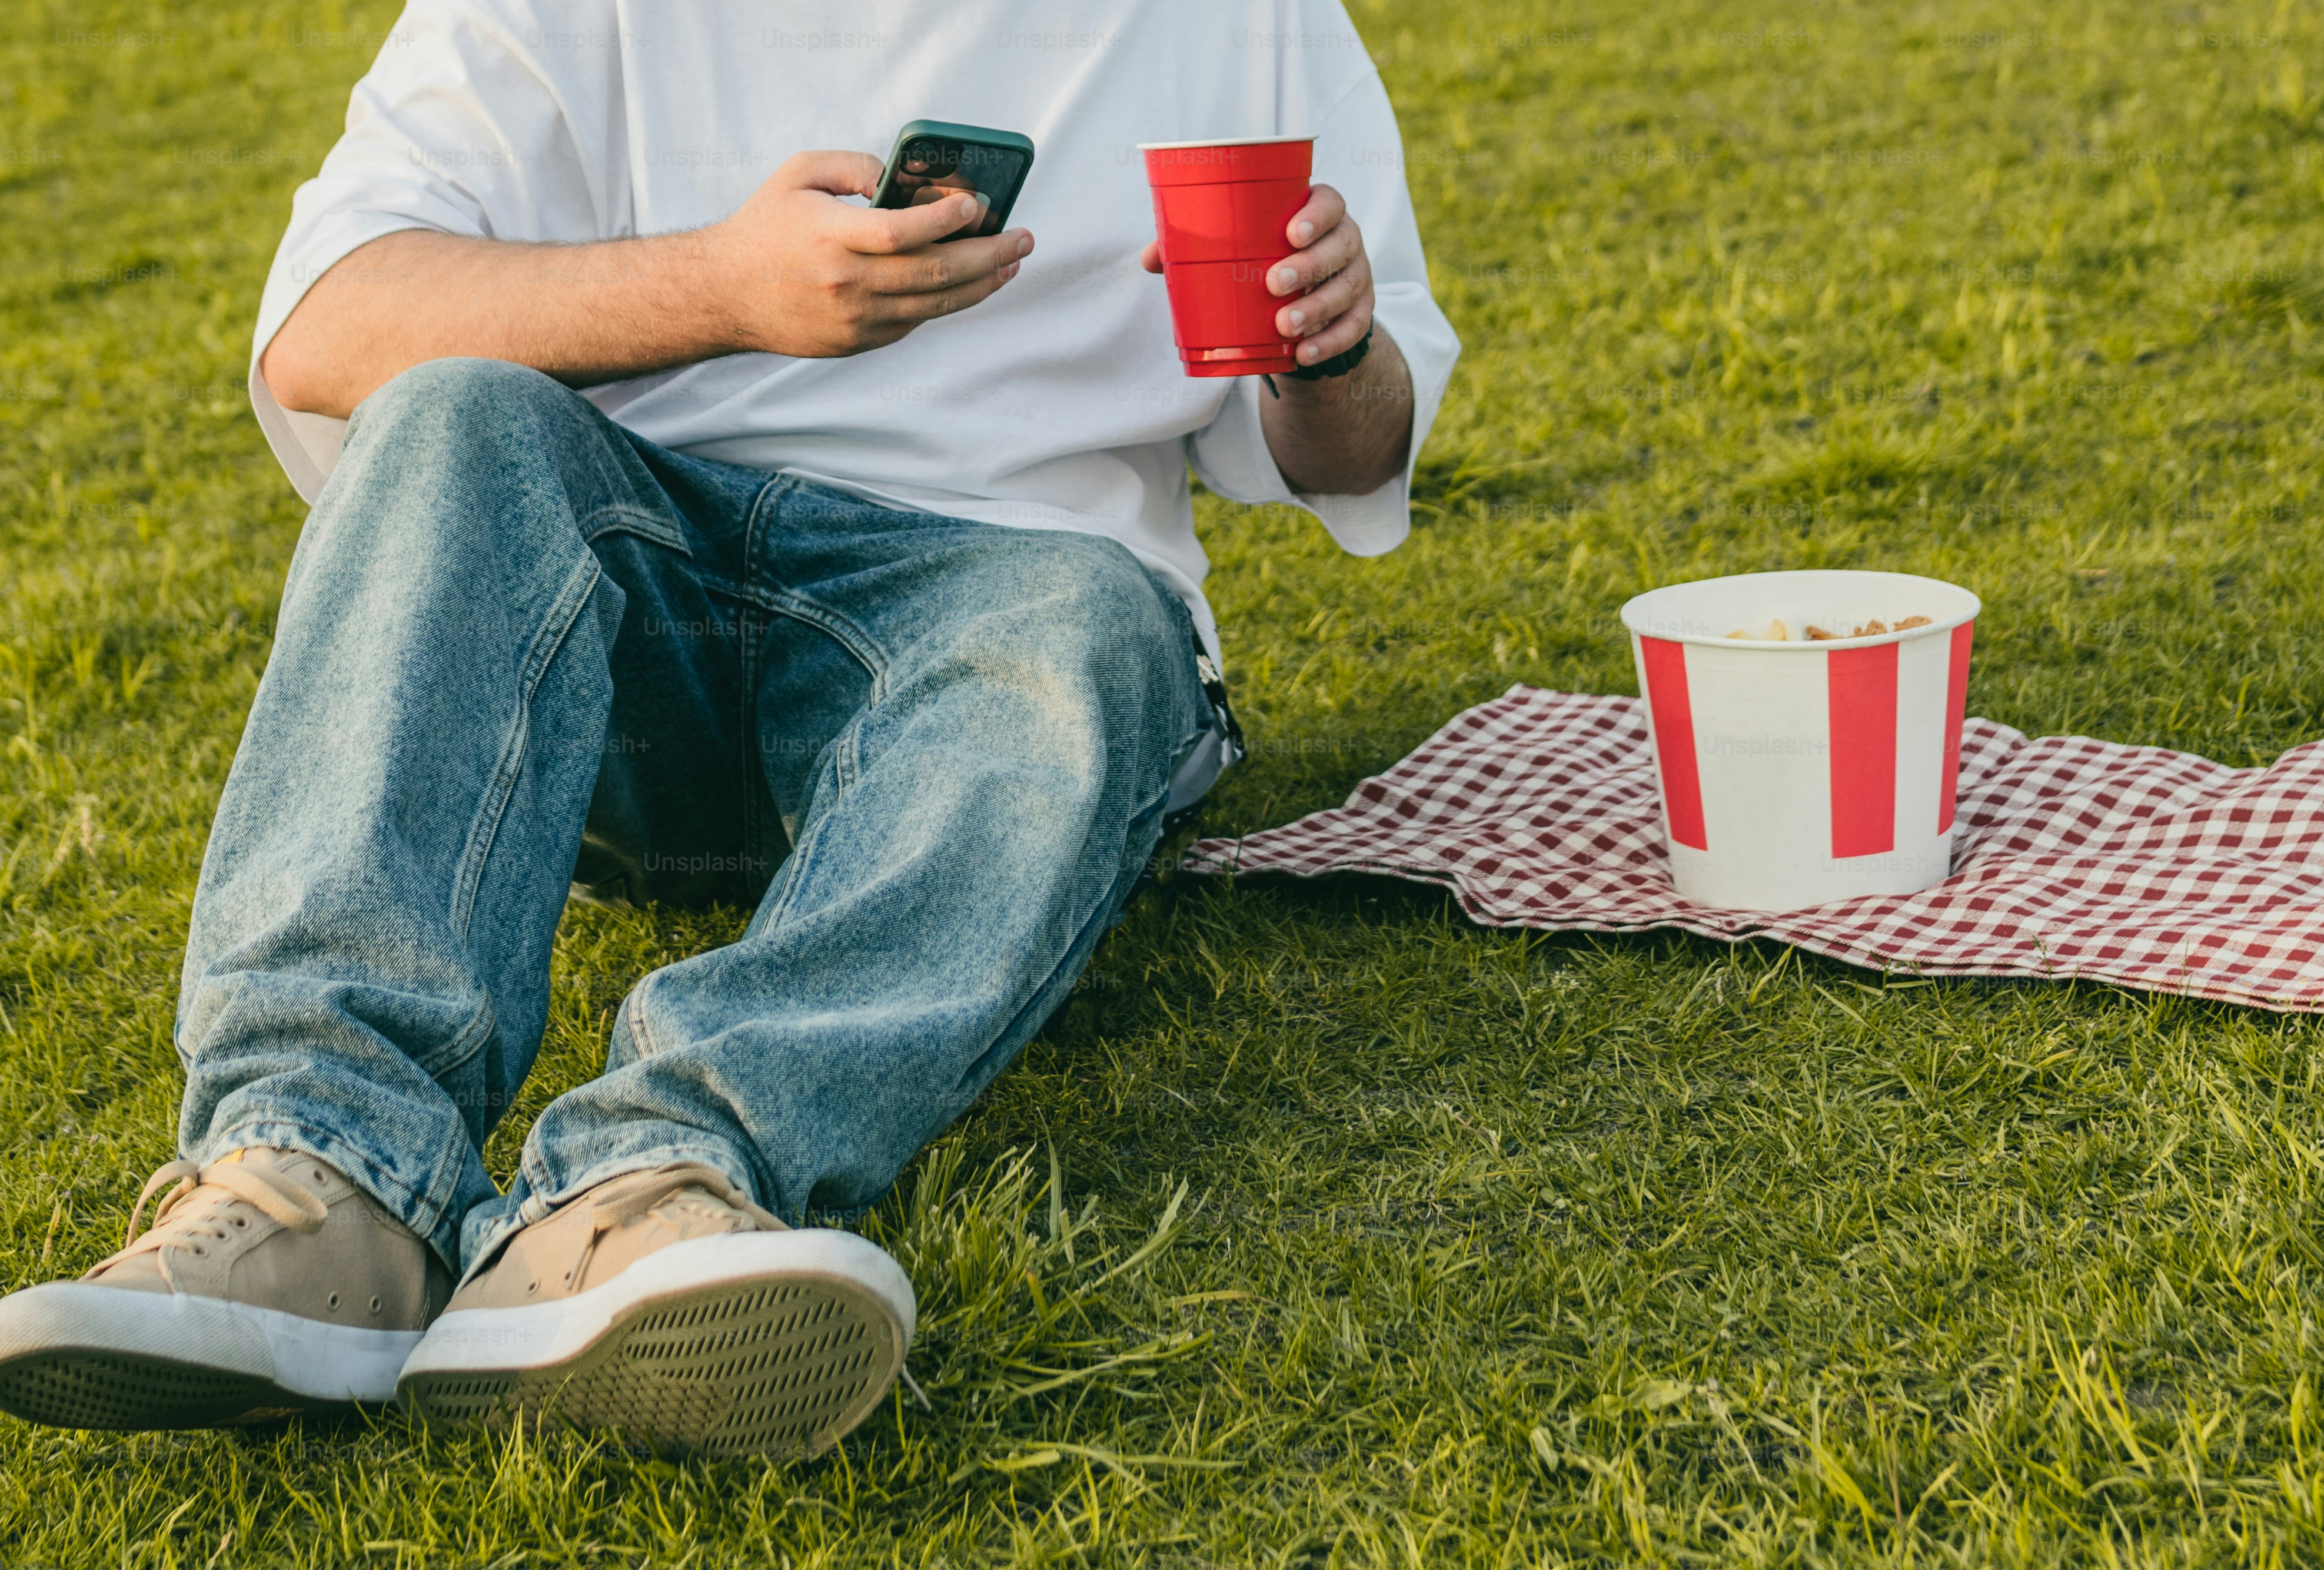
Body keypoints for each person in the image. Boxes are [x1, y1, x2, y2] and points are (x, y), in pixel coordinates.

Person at [0, 0, 1457, 1456]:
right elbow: (330, 317)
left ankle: (639, 1191)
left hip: (1002, 603)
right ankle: (321, 1180)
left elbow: (1356, 452)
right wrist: (724, 286)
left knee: (1090, 617)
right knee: (446, 416)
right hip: (633, 631)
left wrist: (1328, 355)